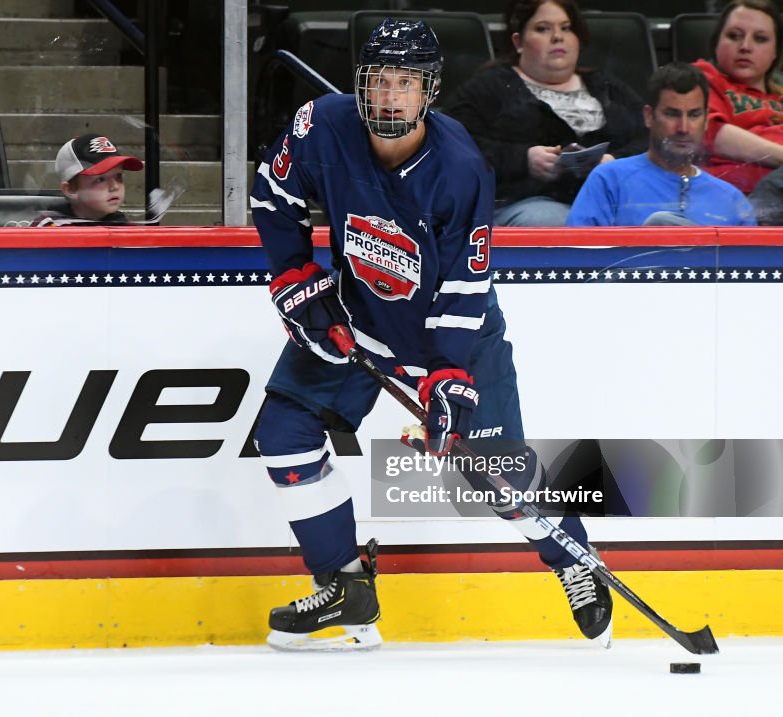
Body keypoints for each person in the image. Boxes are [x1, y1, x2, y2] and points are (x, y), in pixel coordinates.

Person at [249, 18, 611, 651]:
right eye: (380, 81)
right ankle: (345, 587)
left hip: (455, 330)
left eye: (406, 83)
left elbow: (464, 289)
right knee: (284, 433)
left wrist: (447, 374)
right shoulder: (321, 126)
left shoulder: (460, 166)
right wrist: (297, 276)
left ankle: (574, 558)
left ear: (429, 91)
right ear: (361, 85)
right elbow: (272, 196)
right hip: (359, 315)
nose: (390, 96)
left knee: (497, 478)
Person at [443, 0, 647, 226]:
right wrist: (523, 160)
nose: (558, 37)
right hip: (525, 202)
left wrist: (614, 162)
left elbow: (650, 137)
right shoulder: (489, 87)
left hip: (608, 200)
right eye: (543, 29)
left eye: (566, 28)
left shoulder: (606, 85)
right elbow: (449, 148)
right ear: (518, 42)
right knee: (560, 223)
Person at [568, 62, 756, 226]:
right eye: (672, 114)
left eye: (694, 115)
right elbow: (577, 259)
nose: (683, 128)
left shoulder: (732, 200)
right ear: (649, 116)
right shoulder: (608, 180)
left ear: (706, 119)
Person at [694, 0, 783, 223]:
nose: (745, 46)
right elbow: (712, 134)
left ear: (776, 52)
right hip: (724, 199)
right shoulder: (701, 79)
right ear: (716, 43)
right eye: (734, 36)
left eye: (760, 39)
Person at [30, 134, 144, 227]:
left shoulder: (128, 231)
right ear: (70, 189)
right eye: (100, 179)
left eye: (118, 176)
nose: (114, 186)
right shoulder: (50, 228)